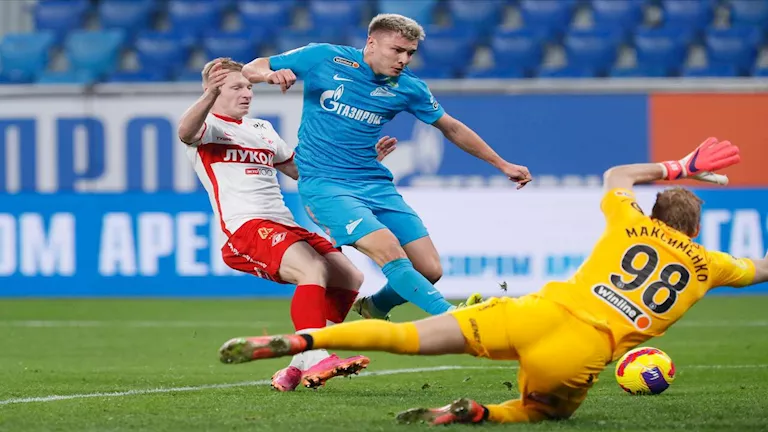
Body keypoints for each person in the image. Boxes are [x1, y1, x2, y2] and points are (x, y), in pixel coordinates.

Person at [216, 137, 767, 424]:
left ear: (652, 213)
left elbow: (617, 175)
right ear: (696, 231)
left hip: (534, 311)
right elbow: (759, 269)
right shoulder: (711, 264)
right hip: (583, 349)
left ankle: (303, 343)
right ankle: (479, 413)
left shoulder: (629, 221)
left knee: (404, 337)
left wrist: (681, 165)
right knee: (540, 411)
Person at [241, 13, 528, 320]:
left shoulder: (408, 87)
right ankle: (455, 318)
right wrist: (268, 75)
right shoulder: (323, 57)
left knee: (429, 269)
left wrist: (502, 164)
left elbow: (452, 128)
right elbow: (251, 67)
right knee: (389, 249)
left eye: (410, 53)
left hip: (375, 183)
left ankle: (375, 307)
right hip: (326, 185)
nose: (404, 59)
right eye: (397, 50)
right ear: (372, 43)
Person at [177, 57, 398, 392]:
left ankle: (297, 365)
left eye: (248, 86)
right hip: (245, 227)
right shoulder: (209, 128)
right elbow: (184, 132)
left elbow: (302, 172)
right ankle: (317, 356)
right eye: (236, 87)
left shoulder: (261, 129)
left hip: (283, 223)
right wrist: (208, 95)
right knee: (313, 270)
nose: (247, 93)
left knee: (349, 277)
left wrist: (364, 162)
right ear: (213, 90)